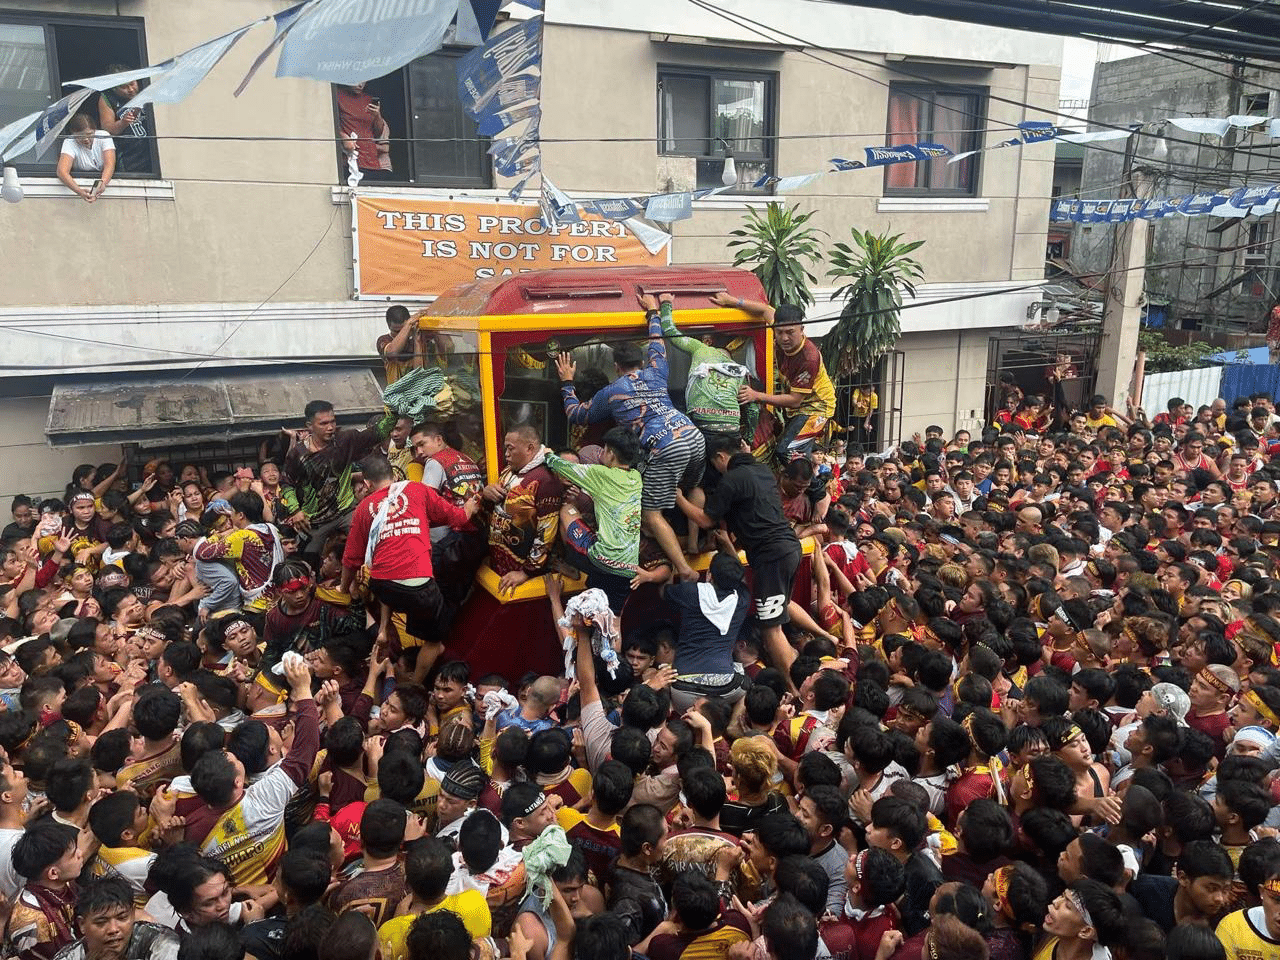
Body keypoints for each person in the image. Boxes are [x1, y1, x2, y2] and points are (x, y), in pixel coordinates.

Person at [557, 293, 706, 582]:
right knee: (693, 486)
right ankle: (692, 543)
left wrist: (566, 382)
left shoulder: (613, 392)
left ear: (616, 367)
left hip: (665, 447)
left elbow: (576, 414)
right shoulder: (657, 371)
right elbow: (658, 343)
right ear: (641, 361)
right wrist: (653, 311)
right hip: (692, 434)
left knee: (651, 515)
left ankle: (685, 570)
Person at [341, 454, 479, 678]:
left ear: (366, 484)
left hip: (383, 586)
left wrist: (343, 587)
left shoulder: (364, 507)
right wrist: (470, 506)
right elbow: (457, 519)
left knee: (389, 575)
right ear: (394, 475)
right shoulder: (417, 490)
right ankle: (415, 684)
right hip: (418, 588)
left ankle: (384, 629)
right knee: (435, 642)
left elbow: (351, 559)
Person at [676, 432, 803, 672]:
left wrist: (679, 498)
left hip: (771, 556)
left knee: (770, 627)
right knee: (778, 618)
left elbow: (705, 520)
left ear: (721, 457)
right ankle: (795, 672)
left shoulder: (732, 479)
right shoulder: (764, 471)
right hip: (790, 548)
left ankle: (794, 690)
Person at [716, 293, 835, 463]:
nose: (784, 338)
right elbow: (765, 310)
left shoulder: (809, 358)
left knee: (787, 452)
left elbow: (795, 400)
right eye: (779, 332)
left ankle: (814, 489)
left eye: (790, 332)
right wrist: (733, 301)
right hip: (798, 407)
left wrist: (756, 396)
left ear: (802, 330)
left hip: (816, 407)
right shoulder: (779, 330)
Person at [279, 401, 393, 559]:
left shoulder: (346, 440)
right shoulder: (298, 453)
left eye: (332, 421)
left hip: (346, 510)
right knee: (307, 559)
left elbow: (377, 433)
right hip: (315, 519)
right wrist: (296, 511)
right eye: (323, 423)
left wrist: (394, 413)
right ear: (309, 426)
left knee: (371, 546)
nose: (330, 427)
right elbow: (286, 482)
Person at [544, 427, 643, 609]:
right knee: (614, 624)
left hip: (601, 560)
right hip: (629, 567)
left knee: (567, 510)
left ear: (611, 454)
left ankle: (569, 561)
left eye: (603, 449)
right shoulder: (636, 478)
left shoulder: (600, 474)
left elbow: (562, 467)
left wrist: (548, 454)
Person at [481, 424, 564, 596]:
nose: (506, 454)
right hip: (499, 565)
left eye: (510, 449)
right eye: (506, 449)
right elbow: (496, 506)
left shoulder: (546, 479)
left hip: (521, 572)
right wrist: (486, 494)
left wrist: (527, 572)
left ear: (530, 448)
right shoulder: (509, 471)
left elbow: (546, 532)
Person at [50, 877, 179, 960]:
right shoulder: (69, 958)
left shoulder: (161, 943)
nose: (113, 929)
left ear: (133, 913)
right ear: (82, 924)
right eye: (101, 922)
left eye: (122, 918)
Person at [96, 68, 152, 174]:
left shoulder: (147, 89)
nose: (130, 89)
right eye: (124, 87)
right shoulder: (108, 98)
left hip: (151, 152)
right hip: (128, 157)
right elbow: (108, 129)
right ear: (114, 89)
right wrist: (123, 123)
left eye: (132, 84)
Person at [57, 114, 115, 204]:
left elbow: (109, 164)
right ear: (73, 133)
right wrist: (79, 191)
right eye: (80, 136)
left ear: (95, 130)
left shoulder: (104, 136)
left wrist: (103, 183)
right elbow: (62, 172)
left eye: (90, 135)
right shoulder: (69, 142)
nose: (86, 139)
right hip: (81, 181)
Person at [335, 83, 391, 174]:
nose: (360, 85)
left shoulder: (368, 99)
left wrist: (377, 116)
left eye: (364, 81)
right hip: (350, 158)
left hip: (372, 159)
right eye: (358, 80)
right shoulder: (336, 95)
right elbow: (327, 122)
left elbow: (379, 133)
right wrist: (342, 136)